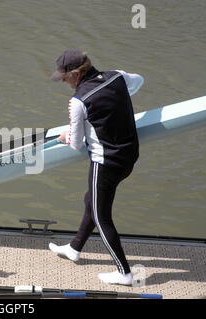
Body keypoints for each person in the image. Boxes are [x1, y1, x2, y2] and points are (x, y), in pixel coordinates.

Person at [48, 49, 144, 286]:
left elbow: (76, 144)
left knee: (102, 217)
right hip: (129, 156)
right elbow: (140, 80)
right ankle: (74, 248)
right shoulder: (117, 76)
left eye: (65, 77)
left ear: (77, 74)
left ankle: (124, 273)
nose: (64, 82)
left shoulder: (79, 101)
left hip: (105, 162)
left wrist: (65, 136)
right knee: (91, 200)